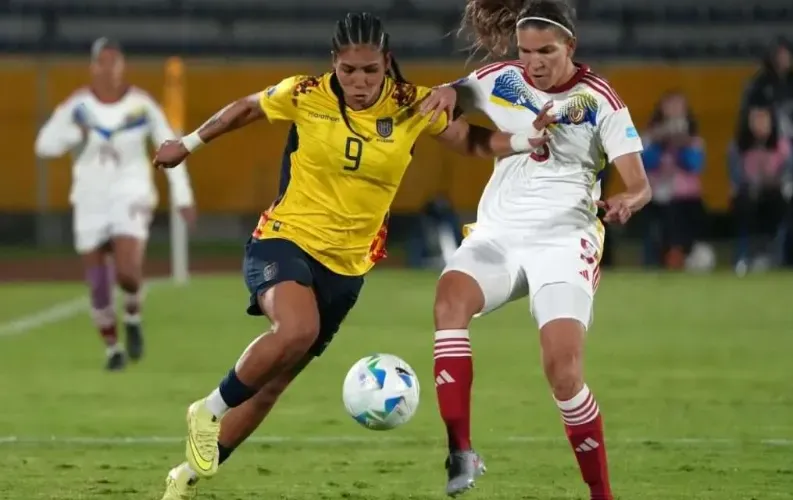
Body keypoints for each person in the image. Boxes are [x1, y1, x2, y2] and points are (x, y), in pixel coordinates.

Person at [151, 12, 553, 500]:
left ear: (387, 63)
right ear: (333, 66)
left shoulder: (410, 104)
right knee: (298, 330)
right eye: (348, 70)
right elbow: (247, 108)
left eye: (369, 70)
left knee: (275, 385)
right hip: (286, 238)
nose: (359, 81)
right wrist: (189, 144)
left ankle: (185, 479)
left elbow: (469, 141)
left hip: (348, 267)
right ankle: (207, 411)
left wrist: (523, 141)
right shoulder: (304, 94)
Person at [419, 0, 651, 497]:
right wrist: (444, 95)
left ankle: (601, 495)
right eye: (526, 51)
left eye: (546, 51)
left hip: (565, 241)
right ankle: (460, 451)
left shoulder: (600, 99)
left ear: (571, 46)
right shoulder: (502, 76)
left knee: (563, 373)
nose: (534, 63)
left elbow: (639, 183)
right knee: (448, 303)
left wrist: (626, 202)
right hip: (499, 232)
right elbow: (456, 104)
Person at [34, 37, 195, 371]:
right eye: (102, 62)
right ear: (93, 66)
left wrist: (182, 195)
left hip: (130, 192)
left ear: (122, 66)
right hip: (90, 197)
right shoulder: (78, 107)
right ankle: (113, 349)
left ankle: (133, 313)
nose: (109, 68)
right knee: (97, 281)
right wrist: (73, 136)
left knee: (127, 273)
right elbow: (44, 145)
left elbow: (171, 146)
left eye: (115, 61)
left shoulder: (141, 105)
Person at [640, 90, 706, 269]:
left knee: (681, 215)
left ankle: (682, 255)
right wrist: (659, 142)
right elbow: (646, 163)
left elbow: (694, 165)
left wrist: (681, 144)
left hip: (686, 199)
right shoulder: (650, 137)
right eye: (670, 107)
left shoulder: (693, 140)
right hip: (656, 197)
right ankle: (657, 259)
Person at [729, 102, 793, 273]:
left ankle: (773, 256)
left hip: (774, 193)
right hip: (748, 193)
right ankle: (745, 256)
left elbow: (787, 176)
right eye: (755, 120)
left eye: (763, 119)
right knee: (745, 204)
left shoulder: (783, 146)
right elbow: (736, 178)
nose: (759, 124)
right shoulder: (738, 147)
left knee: (779, 204)